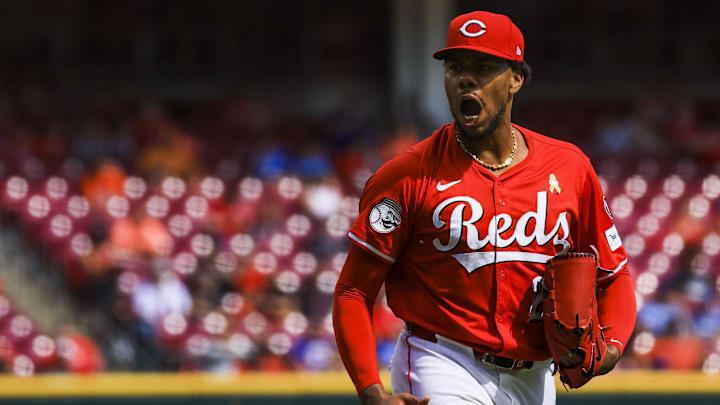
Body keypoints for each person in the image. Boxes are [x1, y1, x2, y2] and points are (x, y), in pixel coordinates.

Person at [332, 10, 637, 405]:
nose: (466, 78)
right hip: (442, 359)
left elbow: (613, 275)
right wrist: (371, 392)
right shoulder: (406, 175)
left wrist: (611, 346)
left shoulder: (570, 167)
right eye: (455, 67)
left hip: (535, 375)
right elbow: (354, 290)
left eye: (483, 67)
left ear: (515, 79)